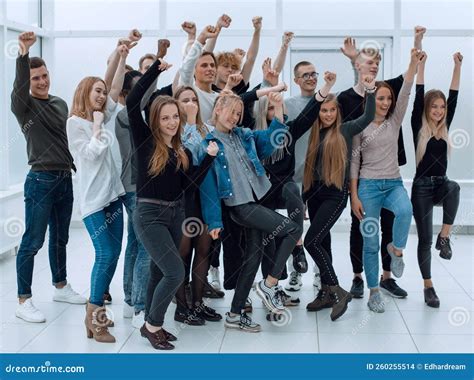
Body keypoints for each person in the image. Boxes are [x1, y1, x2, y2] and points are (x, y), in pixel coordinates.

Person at [127, 57, 218, 350]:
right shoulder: (145, 140)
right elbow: (132, 102)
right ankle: (153, 325)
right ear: (155, 119)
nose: (171, 122)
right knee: (175, 272)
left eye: (175, 117)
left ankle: (151, 324)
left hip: (175, 213)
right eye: (165, 117)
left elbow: (189, 183)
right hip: (149, 213)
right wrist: (154, 70)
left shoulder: (180, 150)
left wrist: (210, 158)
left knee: (158, 271)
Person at [198, 91, 302, 332]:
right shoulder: (210, 144)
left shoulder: (243, 136)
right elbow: (208, 187)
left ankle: (234, 315)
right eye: (231, 112)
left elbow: (274, 139)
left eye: (238, 113)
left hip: (256, 201)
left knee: (252, 260)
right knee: (292, 229)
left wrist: (277, 109)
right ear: (217, 109)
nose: (235, 117)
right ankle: (269, 284)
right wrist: (213, 221)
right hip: (241, 207)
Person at [338, 29, 426, 299]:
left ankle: (396, 252)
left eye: (388, 98)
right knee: (369, 241)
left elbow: (407, 87)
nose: (386, 102)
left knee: (404, 212)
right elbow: (354, 163)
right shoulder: (360, 125)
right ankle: (373, 290)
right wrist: (353, 196)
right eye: (381, 98)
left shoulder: (394, 119)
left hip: (393, 182)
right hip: (367, 186)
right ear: (371, 100)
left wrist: (415, 55)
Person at [12, 32, 86, 324]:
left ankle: (60, 286)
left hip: (64, 179)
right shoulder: (24, 106)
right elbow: (18, 89)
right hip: (40, 180)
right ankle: (23, 299)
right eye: (35, 78)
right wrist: (23, 54)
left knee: (60, 238)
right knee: (32, 241)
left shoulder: (59, 103)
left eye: (44, 75)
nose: (42, 81)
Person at [304, 74, 376, 321]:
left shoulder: (345, 130)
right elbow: (309, 169)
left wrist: (370, 91)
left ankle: (337, 290)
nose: (328, 114)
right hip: (313, 194)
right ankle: (325, 293)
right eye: (324, 110)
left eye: (332, 110)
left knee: (310, 241)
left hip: (335, 195)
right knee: (322, 242)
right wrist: (303, 199)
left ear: (337, 112)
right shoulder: (313, 133)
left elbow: (367, 117)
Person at [115, 38, 170, 329]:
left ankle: (130, 299)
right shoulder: (128, 118)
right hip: (136, 189)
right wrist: (157, 66)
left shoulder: (153, 121)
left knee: (135, 244)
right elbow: (139, 96)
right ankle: (137, 304)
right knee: (144, 248)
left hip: (142, 189)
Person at [411, 51, 462, 308]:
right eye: (435, 106)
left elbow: (454, 95)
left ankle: (445, 236)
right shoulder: (418, 126)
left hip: (441, 184)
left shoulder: (445, 126)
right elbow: (418, 95)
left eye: (442, 108)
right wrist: (421, 66)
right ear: (427, 108)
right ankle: (428, 286)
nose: (439, 111)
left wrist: (457, 66)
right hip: (421, 188)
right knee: (424, 240)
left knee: (454, 186)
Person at [173, 85, 222, 324]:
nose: (191, 103)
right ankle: (181, 307)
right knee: (183, 254)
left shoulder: (208, 130)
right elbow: (188, 157)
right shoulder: (173, 131)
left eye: (194, 99)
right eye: (185, 100)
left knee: (204, 252)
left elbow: (210, 163)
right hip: (183, 201)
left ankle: (198, 303)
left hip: (204, 199)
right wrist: (190, 121)